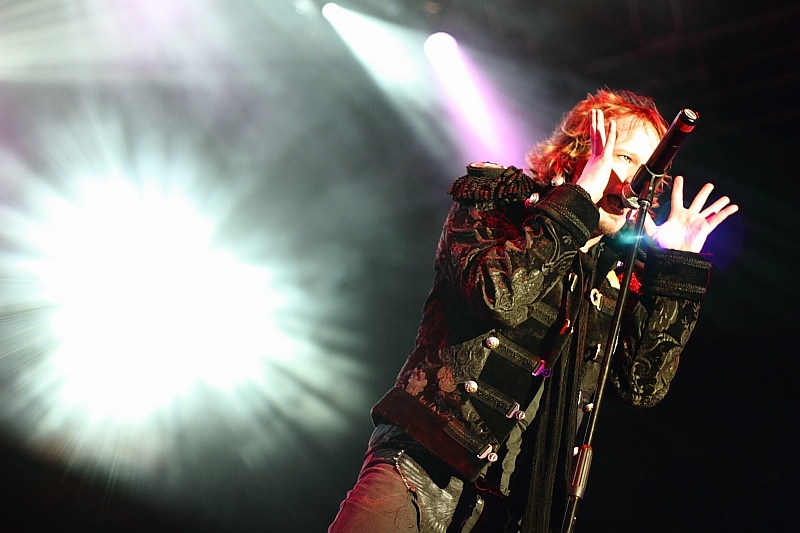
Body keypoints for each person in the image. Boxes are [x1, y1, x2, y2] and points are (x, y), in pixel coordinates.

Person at [328, 89, 738, 533]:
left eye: (647, 174)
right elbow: (501, 294)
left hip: (512, 505)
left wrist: (673, 276)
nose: (632, 186)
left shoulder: (616, 277)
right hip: (421, 463)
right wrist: (581, 198)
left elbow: (641, 387)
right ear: (578, 156)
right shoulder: (495, 203)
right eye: (622, 158)